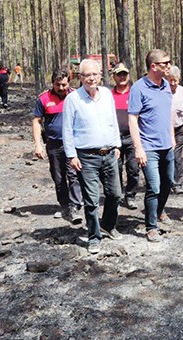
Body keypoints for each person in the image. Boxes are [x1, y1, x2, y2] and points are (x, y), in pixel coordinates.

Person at [62, 59, 123, 254]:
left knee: (115, 194)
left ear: (100, 76)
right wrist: (71, 155)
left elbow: (113, 120)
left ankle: (108, 225)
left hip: (109, 153)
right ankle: (94, 236)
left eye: (94, 74)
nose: (91, 78)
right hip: (86, 157)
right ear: (80, 78)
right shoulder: (73, 99)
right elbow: (67, 131)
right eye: (86, 75)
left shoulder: (106, 94)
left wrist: (117, 144)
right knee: (91, 199)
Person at [128, 49, 175, 242]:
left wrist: (172, 138)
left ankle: (160, 210)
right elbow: (133, 118)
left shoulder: (165, 86)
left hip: (167, 146)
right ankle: (151, 226)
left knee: (168, 182)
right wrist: (138, 148)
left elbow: (167, 114)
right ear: (153, 66)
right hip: (148, 147)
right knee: (153, 187)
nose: (169, 66)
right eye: (165, 63)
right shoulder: (138, 88)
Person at [32, 69, 83, 224]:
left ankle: (75, 205)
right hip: (53, 143)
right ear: (52, 83)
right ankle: (65, 205)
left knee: (73, 174)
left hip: (73, 143)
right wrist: (38, 145)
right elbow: (36, 121)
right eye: (57, 85)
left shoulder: (76, 96)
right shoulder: (43, 98)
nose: (61, 88)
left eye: (64, 84)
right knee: (58, 177)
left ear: (69, 83)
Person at [111, 63, 140, 210]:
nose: (122, 77)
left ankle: (130, 196)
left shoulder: (134, 93)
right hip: (114, 139)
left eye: (124, 74)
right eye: (119, 74)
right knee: (116, 168)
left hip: (131, 137)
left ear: (128, 76)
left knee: (133, 169)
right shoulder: (109, 95)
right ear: (113, 77)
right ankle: (117, 195)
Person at [167, 65, 183, 195]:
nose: (173, 83)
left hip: (179, 128)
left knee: (176, 157)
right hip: (164, 130)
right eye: (171, 80)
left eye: (175, 80)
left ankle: (177, 183)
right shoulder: (162, 90)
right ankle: (166, 182)